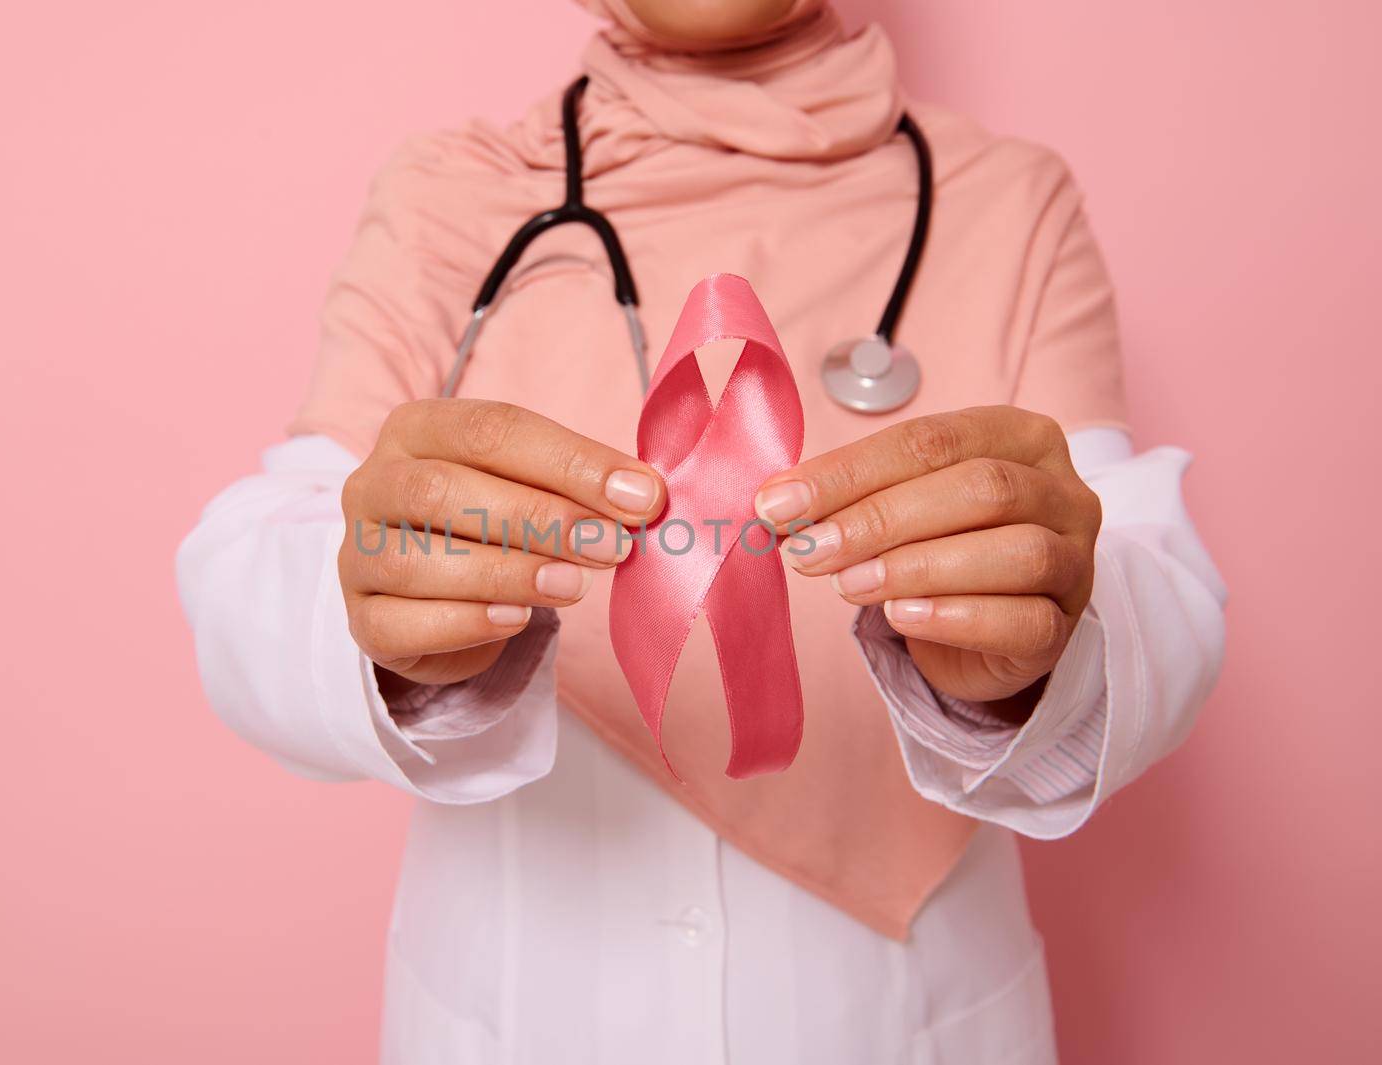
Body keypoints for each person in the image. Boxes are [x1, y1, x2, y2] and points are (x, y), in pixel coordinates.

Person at [176, 1, 1226, 1060]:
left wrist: (1040, 645)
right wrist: (379, 607)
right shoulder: (451, 190)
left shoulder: (1009, 201)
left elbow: (1143, 583)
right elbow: (267, 566)